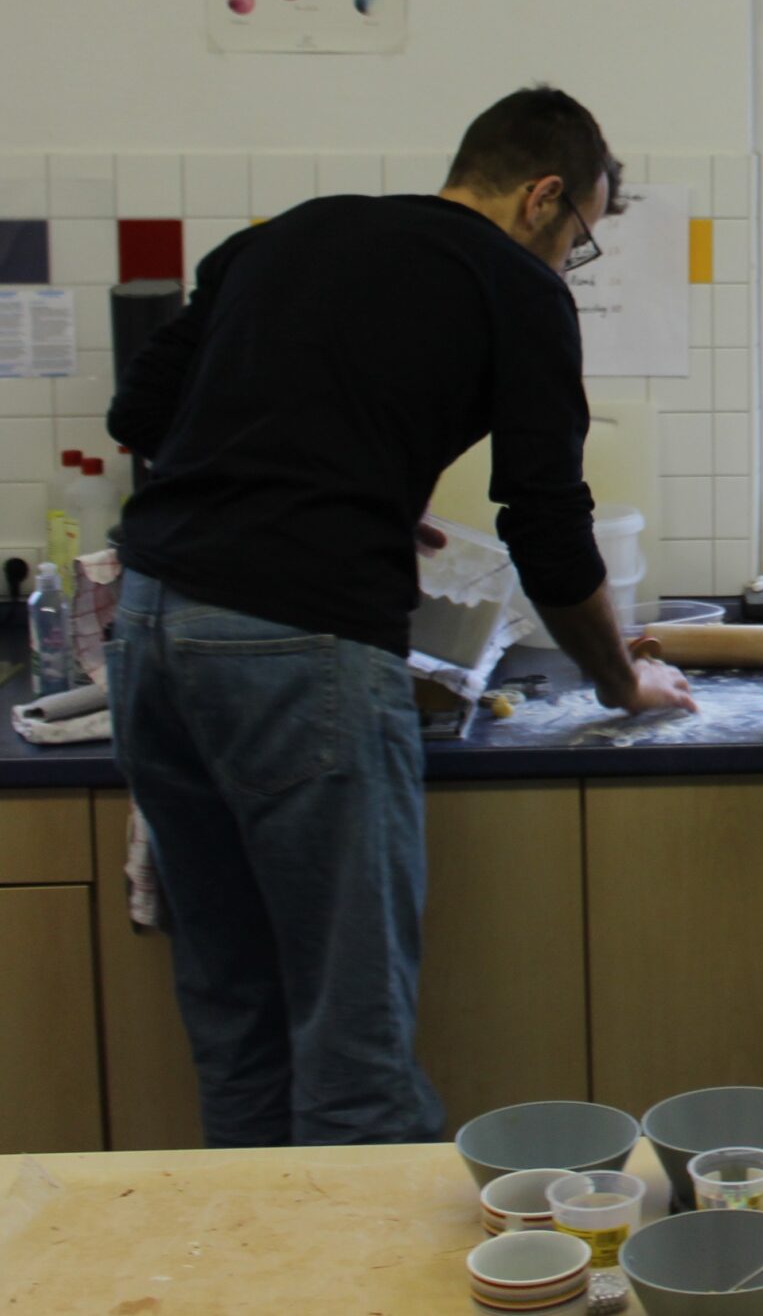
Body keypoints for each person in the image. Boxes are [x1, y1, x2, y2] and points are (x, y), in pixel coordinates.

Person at [104, 86, 694, 1147]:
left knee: (237, 1020)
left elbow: (138, 414)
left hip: (149, 624)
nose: (570, 261)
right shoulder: (514, 284)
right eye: (580, 238)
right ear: (542, 196)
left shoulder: (288, 233)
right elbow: (548, 525)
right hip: (297, 649)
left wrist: (344, 481)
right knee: (353, 1046)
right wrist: (621, 681)